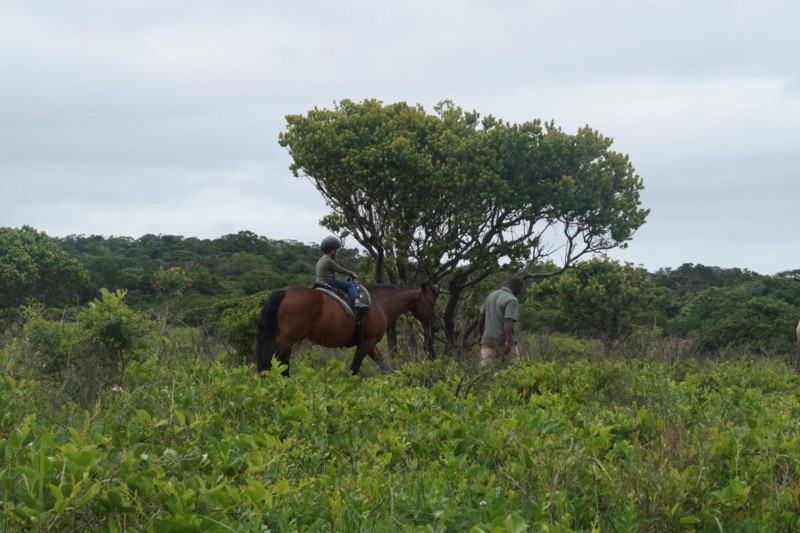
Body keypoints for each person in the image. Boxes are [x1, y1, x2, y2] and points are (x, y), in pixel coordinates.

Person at [477, 276, 524, 366]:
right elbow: (508, 321)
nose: (520, 292)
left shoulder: (491, 295)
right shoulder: (512, 300)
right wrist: (508, 341)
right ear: (517, 287)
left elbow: (481, 316)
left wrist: (479, 335)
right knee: (515, 370)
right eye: (520, 289)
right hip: (503, 340)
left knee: (485, 372)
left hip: (487, 340)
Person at [316, 236, 363, 307]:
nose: (337, 251)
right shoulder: (329, 261)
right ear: (332, 251)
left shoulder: (321, 259)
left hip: (319, 281)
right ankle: (357, 302)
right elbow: (340, 270)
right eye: (336, 249)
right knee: (350, 285)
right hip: (329, 281)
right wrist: (352, 273)